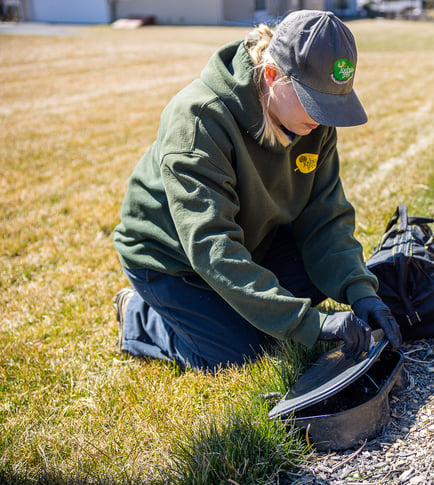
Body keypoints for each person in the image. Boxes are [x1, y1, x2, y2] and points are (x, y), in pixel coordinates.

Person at [112, 10, 402, 371]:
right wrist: (309, 325)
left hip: (252, 237)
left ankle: (236, 313)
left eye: (332, 103)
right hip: (174, 261)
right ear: (271, 75)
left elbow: (325, 217)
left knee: (318, 282)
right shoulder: (198, 121)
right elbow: (212, 246)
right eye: (313, 100)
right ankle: (141, 315)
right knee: (243, 353)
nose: (323, 117)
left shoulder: (314, 123)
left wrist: (361, 294)